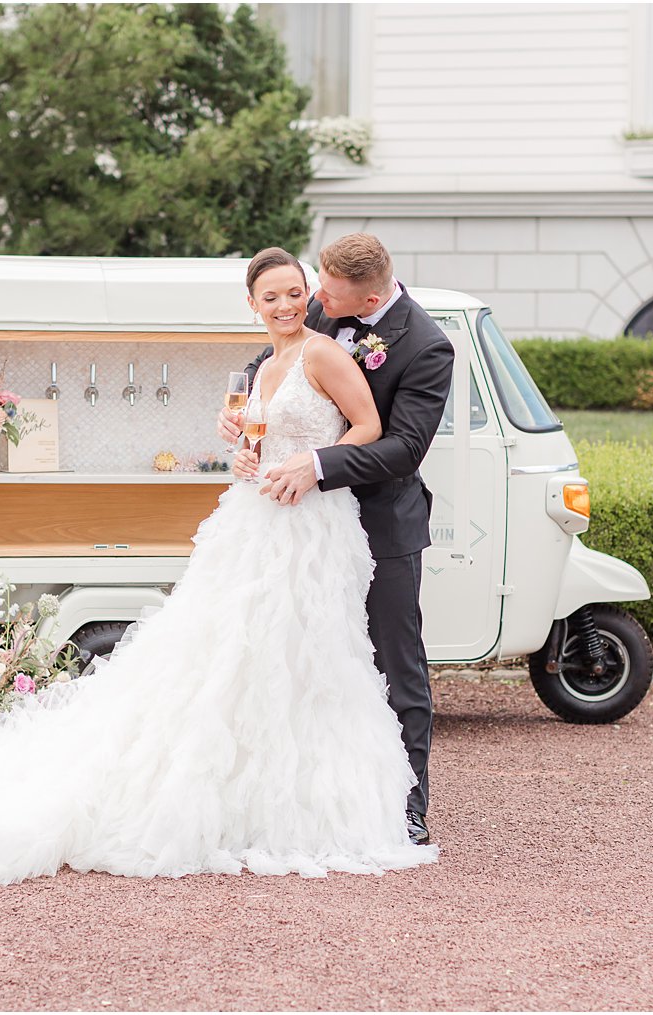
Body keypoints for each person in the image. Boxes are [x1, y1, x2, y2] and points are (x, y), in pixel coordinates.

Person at [0, 248, 438, 891]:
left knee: (317, 660)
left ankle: (330, 804)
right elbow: (259, 430)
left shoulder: (324, 354)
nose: (284, 304)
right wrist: (245, 450)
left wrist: (311, 465)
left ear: (309, 292)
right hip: (256, 519)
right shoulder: (260, 366)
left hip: (313, 524)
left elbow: (370, 428)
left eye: (292, 292)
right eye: (270, 296)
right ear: (251, 305)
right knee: (235, 658)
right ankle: (244, 795)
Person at [218, 233, 453, 847]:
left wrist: (317, 467)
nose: (312, 298)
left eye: (324, 290)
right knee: (303, 659)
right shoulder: (322, 304)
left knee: (393, 663)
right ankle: (304, 797)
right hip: (298, 526)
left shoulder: (428, 346)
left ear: (369, 295)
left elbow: (402, 447)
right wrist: (240, 410)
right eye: (310, 286)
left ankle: (408, 804)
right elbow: (283, 355)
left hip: (380, 527)